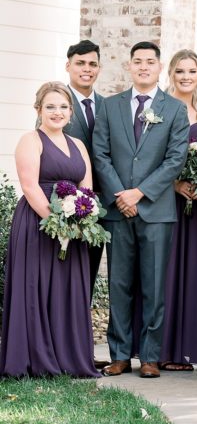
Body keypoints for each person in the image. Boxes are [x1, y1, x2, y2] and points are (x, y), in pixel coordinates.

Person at [92, 41, 189, 378]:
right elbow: (100, 154)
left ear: (159, 67)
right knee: (119, 286)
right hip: (118, 210)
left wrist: (140, 193)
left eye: (150, 61)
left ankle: (149, 356)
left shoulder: (174, 109)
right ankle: (119, 355)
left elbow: (175, 159)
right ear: (129, 66)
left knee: (153, 287)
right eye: (138, 61)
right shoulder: (110, 106)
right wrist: (121, 195)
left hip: (156, 211)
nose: (144, 66)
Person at [0, 82, 98, 377]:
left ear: (71, 111)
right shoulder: (31, 140)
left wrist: (81, 219)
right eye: (50, 106)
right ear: (38, 109)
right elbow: (30, 187)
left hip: (73, 227)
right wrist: (57, 224)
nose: (58, 112)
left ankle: (69, 358)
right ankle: (35, 358)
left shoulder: (78, 144)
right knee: (37, 286)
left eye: (63, 107)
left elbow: (87, 187)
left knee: (68, 289)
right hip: (38, 224)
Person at [159, 50, 197, 372]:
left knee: (191, 272)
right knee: (166, 273)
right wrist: (175, 184)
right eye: (180, 71)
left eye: (192, 71)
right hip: (168, 200)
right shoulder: (160, 109)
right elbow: (151, 157)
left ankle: (183, 350)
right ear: (171, 74)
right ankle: (162, 349)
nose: (186, 77)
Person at [64, 39, 105, 291]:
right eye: (80, 63)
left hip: (101, 204)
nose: (87, 69)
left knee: (89, 271)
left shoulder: (108, 105)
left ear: (99, 68)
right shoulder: (57, 102)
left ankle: (83, 316)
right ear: (68, 66)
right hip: (66, 203)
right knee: (64, 272)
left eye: (92, 64)